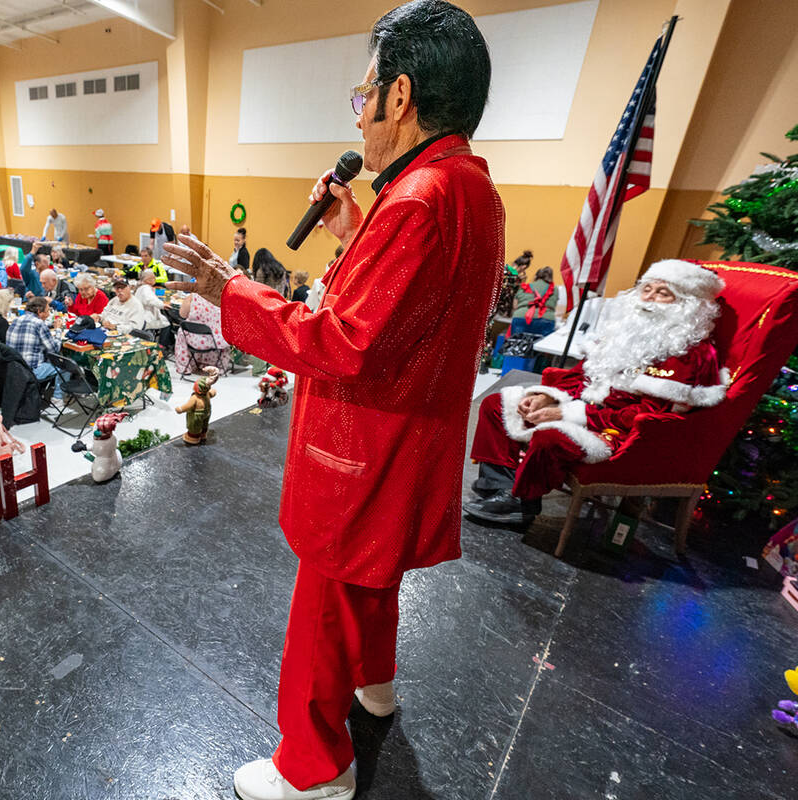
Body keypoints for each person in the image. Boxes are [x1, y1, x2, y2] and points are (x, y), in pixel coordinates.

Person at [161, 4, 502, 797]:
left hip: (364, 445)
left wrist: (227, 289)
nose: (361, 112)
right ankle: (374, 684)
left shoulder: (416, 198)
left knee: (323, 606)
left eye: (364, 94)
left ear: (401, 95)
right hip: (411, 437)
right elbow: (411, 309)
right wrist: (355, 231)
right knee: (371, 581)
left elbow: (343, 342)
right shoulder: (465, 187)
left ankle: (314, 768)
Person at [466, 261, 730, 525]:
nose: (649, 298)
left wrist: (566, 413)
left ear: (688, 304)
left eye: (663, 293)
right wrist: (546, 396)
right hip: (584, 407)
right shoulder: (624, 333)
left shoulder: (690, 353)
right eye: (647, 289)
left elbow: (648, 415)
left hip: (621, 432)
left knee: (551, 437)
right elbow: (580, 376)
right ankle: (501, 487)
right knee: (497, 404)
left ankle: (521, 504)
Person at [4, 296, 64, 398]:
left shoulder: (16, 320)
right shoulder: (39, 324)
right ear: (39, 312)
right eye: (47, 311)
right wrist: (58, 330)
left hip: (13, 368)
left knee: (48, 358)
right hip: (32, 370)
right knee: (64, 366)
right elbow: (54, 349)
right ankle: (58, 399)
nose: (48, 314)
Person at [172, 294, 229, 375]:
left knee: (181, 331)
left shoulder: (192, 297)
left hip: (193, 340)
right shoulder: (223, 298)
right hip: (215, 341)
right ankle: (215, 365)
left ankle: (184, 367)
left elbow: (182, 314)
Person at [510, 264, 558, 335]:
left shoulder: (525, 287)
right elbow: (554, 306)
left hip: (521, 317)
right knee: (539, 345)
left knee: (515, 344)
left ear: (536, 276)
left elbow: (515, 306)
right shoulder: (554, 289)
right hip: (546, 319)